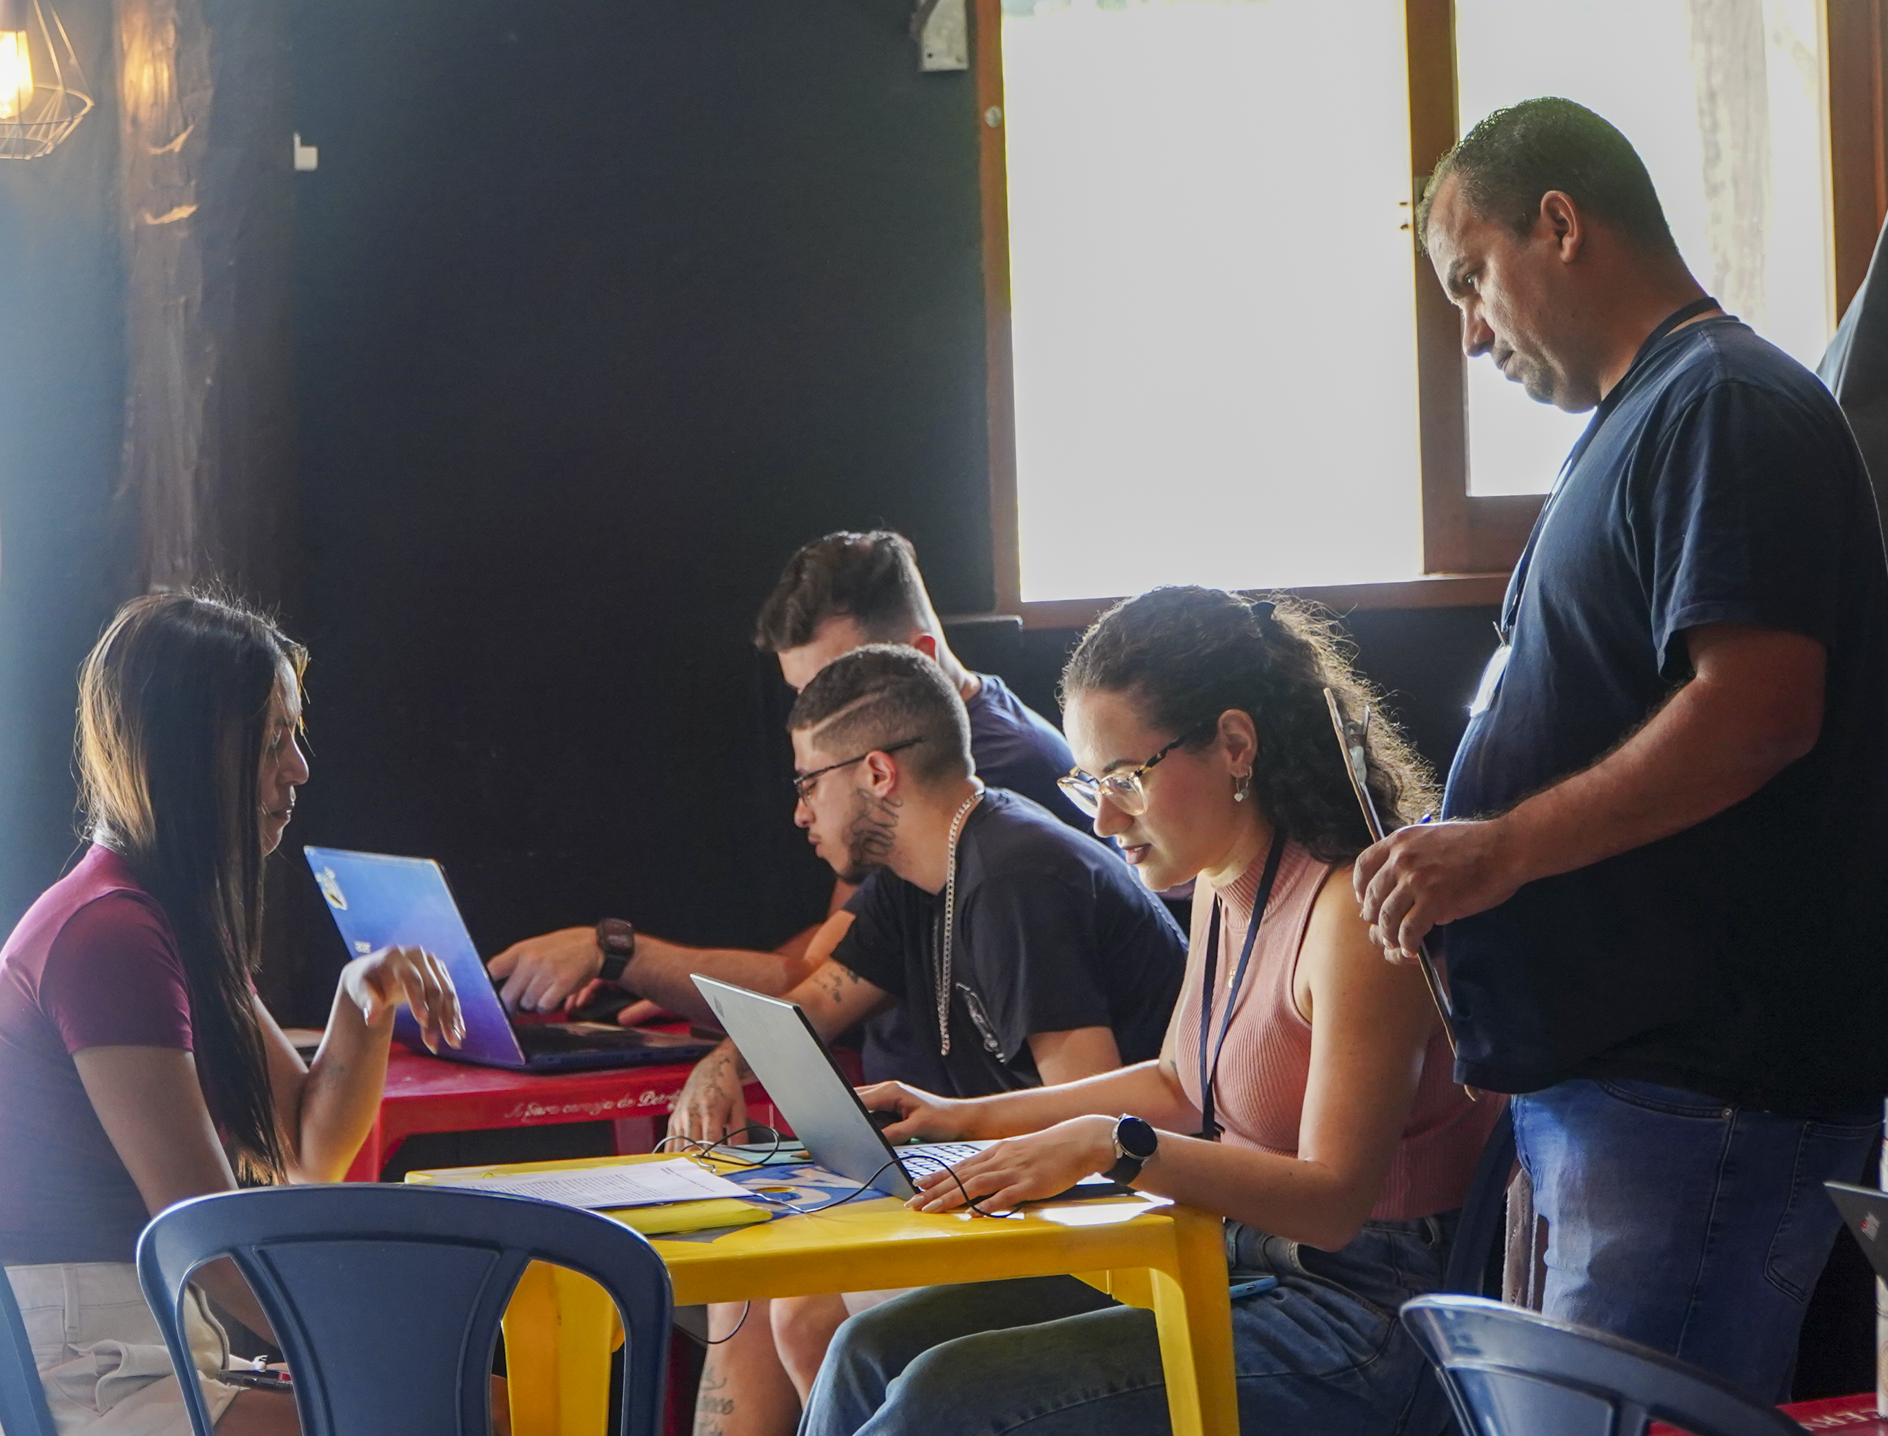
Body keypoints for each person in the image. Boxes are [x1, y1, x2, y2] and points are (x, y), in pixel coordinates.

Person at [1355, 97, 1888, 1398]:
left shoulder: (1725, 404)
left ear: (1560, 222)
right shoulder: (1645, 418)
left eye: (1469, 280)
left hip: (1702, 1090)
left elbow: (1757, 709)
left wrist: (1497, 851)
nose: (1469, 332)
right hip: (1636, 1095)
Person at [798, 586, 1503, 1436]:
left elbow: (1332, 1200)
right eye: (1090, 782)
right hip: (1242, 1260)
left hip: (1368, 1315)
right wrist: (962, 1114)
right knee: (870, 1346)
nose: (1104, 816)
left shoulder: (1351, 911)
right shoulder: (1221, 881)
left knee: (942, 1397)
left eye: (1126, 778)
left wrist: (1114, 1145)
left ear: (1235, 744)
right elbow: (1177, 1081)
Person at [670, 644, 1187, 1436]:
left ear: (877, 772)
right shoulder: (916, 878)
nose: (800, 813)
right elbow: (814, 1006)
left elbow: (1091, 1132)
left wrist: (951, 1133)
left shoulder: (1014, 875)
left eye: (808, 783)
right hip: (1033, 1205)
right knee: (798, 1306)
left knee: (818, 1305)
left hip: (1132, 1235)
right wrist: (720, 1065)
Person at [0, 592, 466, 1436]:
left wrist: (362, 999)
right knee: (468, 1408)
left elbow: (310, 1146)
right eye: (274, 738)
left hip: (149, 1338)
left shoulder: (163, 914)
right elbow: (205, 1237)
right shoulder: (110, 932)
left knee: (486, 1403)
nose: (300, 768)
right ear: (193, 746)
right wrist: (381, 1342)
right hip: (87, 1368)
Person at [486, 530, 1096, 1040]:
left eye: (838, 689)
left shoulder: (987, 772)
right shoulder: (919, 749)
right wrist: (678, 982)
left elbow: (817, 980)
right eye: (805, 695)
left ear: (919, 657)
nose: (814, 720)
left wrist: (621, 953)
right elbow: (834, 949)